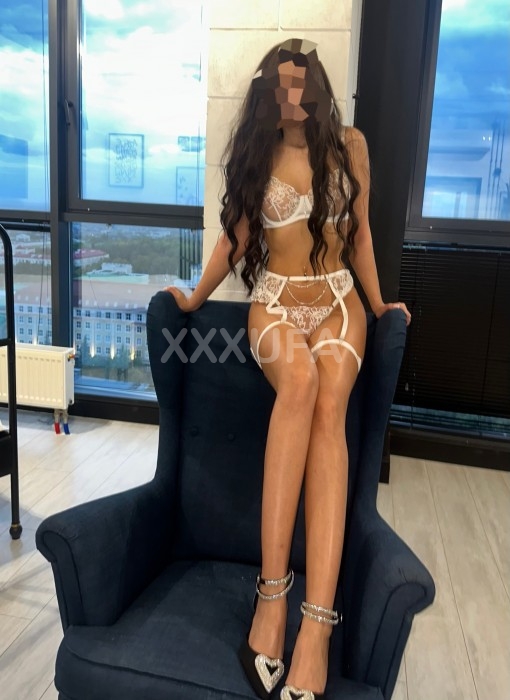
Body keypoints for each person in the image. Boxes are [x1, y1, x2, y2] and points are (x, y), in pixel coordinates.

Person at [166, 38, 411, 700]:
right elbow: (236, 237)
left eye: (302, 83)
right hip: (274, 301)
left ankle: (317, 627)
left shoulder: (351, 147)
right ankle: (271, 599)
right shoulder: (258, 148)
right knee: (299, 383)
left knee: (330, 402)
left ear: (319, 86)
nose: (292, 95)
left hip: (338, 302)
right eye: (281, 84)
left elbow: (360, 234)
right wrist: (193, 297)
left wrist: (379, 304)